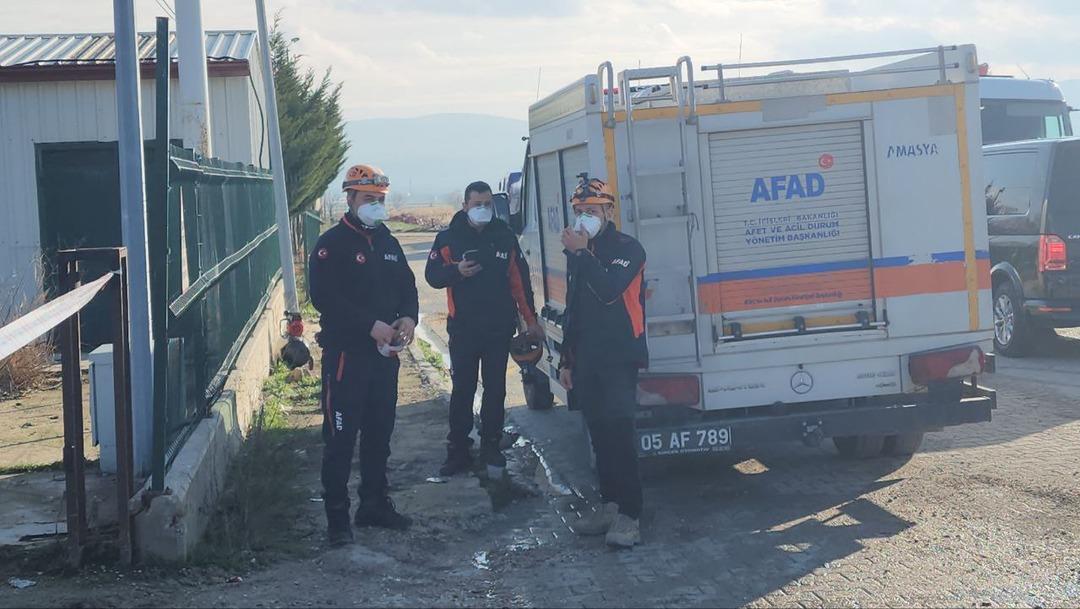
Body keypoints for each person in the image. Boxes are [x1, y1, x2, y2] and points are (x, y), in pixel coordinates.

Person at [308, 164, 419, 546]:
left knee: (379, 433)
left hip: (384, 358)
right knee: (340, 437)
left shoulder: (388, 241)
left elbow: (408, 286)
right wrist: (368, 324)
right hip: (346, 358)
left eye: (380, 199)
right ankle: (337, 520)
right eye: (369, 199)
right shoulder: (331, 244)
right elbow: (323, 298)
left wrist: (408, 317)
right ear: (350, 198)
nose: (375, 206)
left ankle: (374, 504)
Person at [425, 181, 542, 476]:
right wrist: (457, 272)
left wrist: (531, 321)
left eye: (487, 204)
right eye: (477, 204)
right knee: (463, 389)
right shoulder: (449, 238)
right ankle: (459, 450)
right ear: (465, 206)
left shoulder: (503, 237)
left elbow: (520, 283)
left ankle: (491, 445)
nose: (483, 209)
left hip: (498, 328)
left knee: (495, 389)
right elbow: (433, 275)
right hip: (463, 329)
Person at [558, 176, 648, 548]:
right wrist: (566, 358)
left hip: (619, 357)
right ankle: (609, 505)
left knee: (620, 435)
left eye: (592, 211)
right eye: (579, 211)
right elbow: (575, 308)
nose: (585, 217)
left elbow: (611, 290)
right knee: (599, 437)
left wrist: (582, 253)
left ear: (609, 211)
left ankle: (630, 515)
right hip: (588, 359)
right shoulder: (579, 253)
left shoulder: (628, 248)